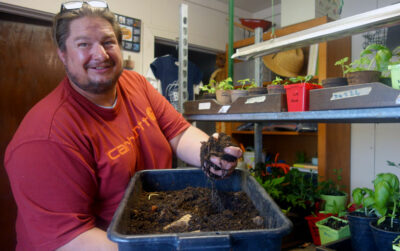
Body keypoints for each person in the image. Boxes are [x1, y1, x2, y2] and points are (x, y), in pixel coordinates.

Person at [4, 2, 242, 250]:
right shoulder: (46, 137)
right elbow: (70, 238)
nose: (101, 54)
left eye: (108, 42)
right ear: (63, 54)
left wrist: (210, 154)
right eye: (84, 44)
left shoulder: (135, 83)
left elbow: (179, 133)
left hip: (152, 224)